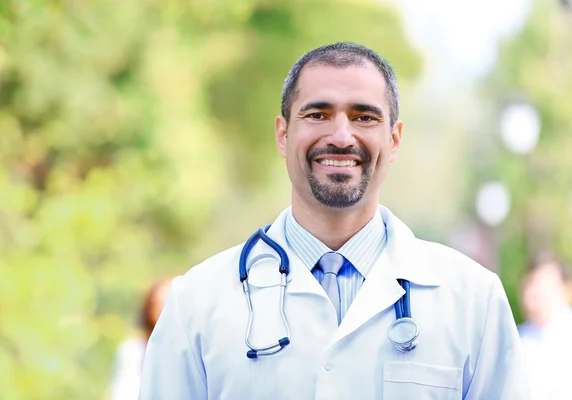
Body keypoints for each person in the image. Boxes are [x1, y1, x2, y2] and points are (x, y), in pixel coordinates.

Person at [139, 42, 528, 399]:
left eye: (363, 117)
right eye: (317, 114)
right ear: (282, 134)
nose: (341, 136)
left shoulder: (474, 300)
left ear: (393, 141)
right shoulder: (197, 302)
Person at [518, 253, 572, 400]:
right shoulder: (517, 338)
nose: (531, 293)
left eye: (540, 285)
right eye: (528, 285)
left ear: (566, 289)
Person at [110, 279, 171, 400]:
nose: (163, 311)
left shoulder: (196, 350)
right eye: (158, 304)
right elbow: (124, 391)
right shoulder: (133, 350)